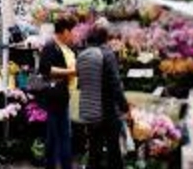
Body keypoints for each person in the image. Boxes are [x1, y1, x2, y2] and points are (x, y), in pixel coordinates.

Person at [77, 25, 129, 169]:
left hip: (90, 110)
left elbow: (80, 83)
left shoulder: (83, 55)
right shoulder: (107, 54)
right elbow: (115, 84)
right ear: (105, 38)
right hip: (108, 110)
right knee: (114, 151)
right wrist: (124, 106)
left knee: (94, 151)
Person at [39, 15, 78, 169]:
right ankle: (59, 165)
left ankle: (58, 164)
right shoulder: (51, 46)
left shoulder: (66, 47)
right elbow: (45, 69)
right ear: (65, 31)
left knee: (59, 135)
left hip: (63, 96)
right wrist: (70, 71)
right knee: (59, 135)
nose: (74, 35)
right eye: (72, 31)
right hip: (55, 97)